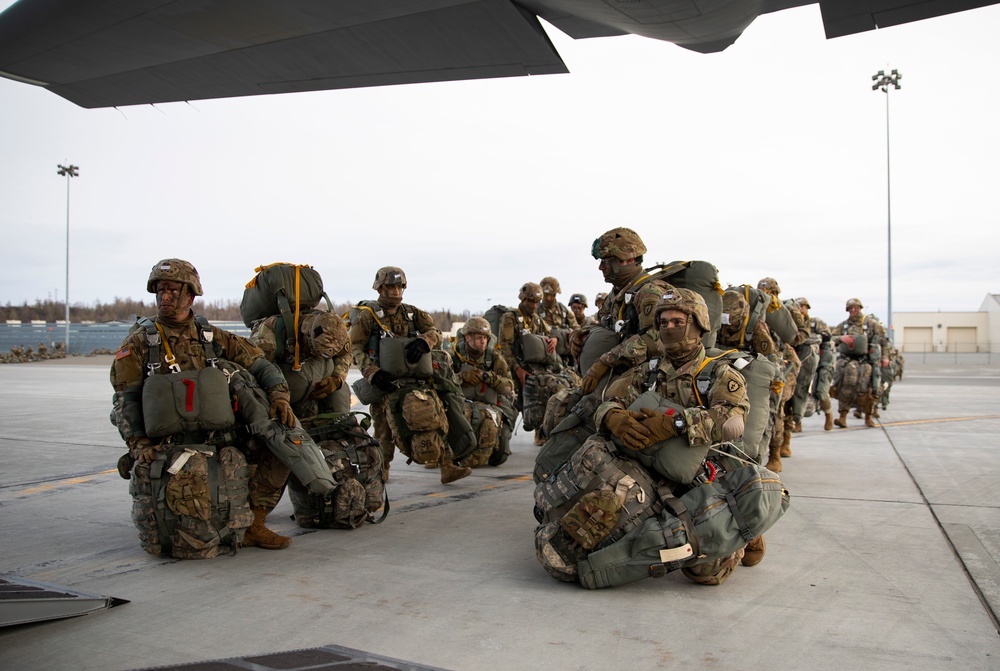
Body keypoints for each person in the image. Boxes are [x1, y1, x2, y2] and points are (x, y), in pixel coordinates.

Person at [110, 259, 336, 554]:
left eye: (173, 290)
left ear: (190, 295)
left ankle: (254, 523)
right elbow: (124, 401)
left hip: (219, 434)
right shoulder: (139, 343)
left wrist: (279, 395)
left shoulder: (211, 337)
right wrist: (138, 445)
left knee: (282, 443)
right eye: (160, 291)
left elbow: (259, 363)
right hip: (168, 441)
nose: (165, 297)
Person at [594, 288, 755, 584]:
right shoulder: (649, 371)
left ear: (698, 324)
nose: (669, 328)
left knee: (704, 572)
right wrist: (612, 417)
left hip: (703, 471)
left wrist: (676, 425)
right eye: (663, 322)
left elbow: (732, 422)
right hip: (652, 465)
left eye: (678, 322)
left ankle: (742, 534)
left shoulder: (719, 373)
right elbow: (609, 400)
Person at [349, 266, 469, 484]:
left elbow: (435, 331)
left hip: (417, 381)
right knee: (384, 431)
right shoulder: (368, 317)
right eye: (390, 287)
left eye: (398, 287)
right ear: (380, 288)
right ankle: (381, 469)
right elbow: (355, 346)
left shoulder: (413, 313)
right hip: (385, 382)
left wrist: (425, 342)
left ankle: (447, 465)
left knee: (436, 419)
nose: (395, 292)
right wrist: (371, 372)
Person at [497, 282, 562, 445]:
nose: (533, 305)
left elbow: (550, 333)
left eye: (536, 302)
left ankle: (539, 432)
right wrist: (517, 369)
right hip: (513, 368)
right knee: (512, 405)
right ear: (523, 299)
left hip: (532, 369)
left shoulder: (537, 320)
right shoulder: (510, 318)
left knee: (541, 396)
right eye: (530, 302)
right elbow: (504, 346)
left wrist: (554, 339)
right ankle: (501, 442)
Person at [449, 316, 516, 466]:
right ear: (467, 337)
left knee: (501, 456)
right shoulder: (454, 356)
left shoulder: (494, 358)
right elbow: (441, 380)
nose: (483, 341)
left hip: (490, 403)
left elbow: (509, 386)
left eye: (485, 338)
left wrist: (489, 377)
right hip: (460, 402)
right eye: (479, 338)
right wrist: (461, 377)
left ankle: (498, 443)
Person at [831, 298, 889, 428]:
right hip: (848, 360)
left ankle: (868, 416)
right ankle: (842, 416)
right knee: (846, 387)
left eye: (855, 308)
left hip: (866, 361)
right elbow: (831, 338)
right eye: (850, 308)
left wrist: (885, 357)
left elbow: (884, 341)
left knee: (867, 389)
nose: (853, 310)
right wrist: (840, 338)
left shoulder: (871, 324)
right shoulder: (844, 326)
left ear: (860, 308)